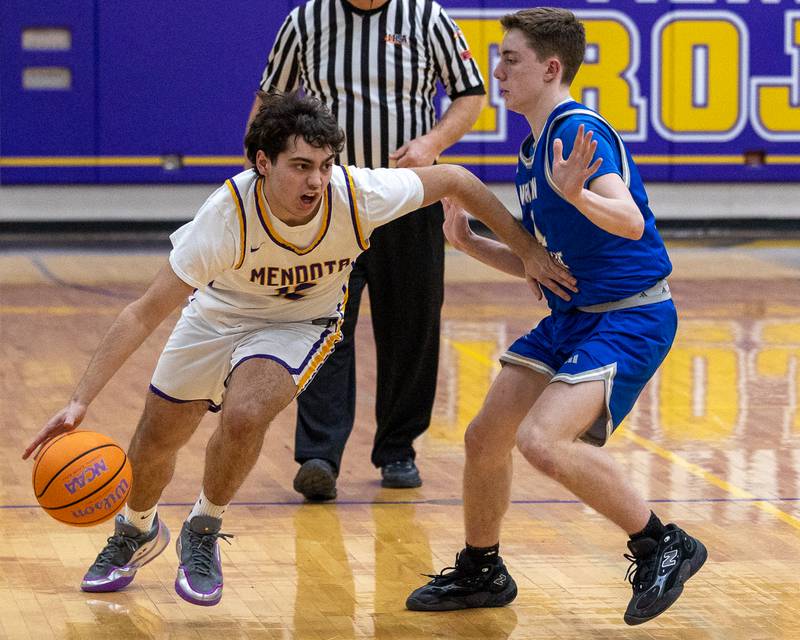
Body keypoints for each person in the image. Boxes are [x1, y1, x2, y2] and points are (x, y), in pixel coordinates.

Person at [22, 91, 573, 607]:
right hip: (216, 317)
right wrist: (79, 401)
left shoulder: (356, 195)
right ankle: (136, 530)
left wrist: (525, 250)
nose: (317, 180)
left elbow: (455, 178)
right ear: (263, 163)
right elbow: (143, 311)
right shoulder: (225, 216)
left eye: (325, 165)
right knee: (157, 436)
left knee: (246, 413)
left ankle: (204, 528)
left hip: (299, 322)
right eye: (300, 166)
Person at [405, 8, 707, 626]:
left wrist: (577, 193)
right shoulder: (533, 148)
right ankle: (482, 567)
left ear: (550, 67)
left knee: (541, 442)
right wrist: (470, 246)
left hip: (630, 315)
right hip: (576, 311)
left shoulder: (577, 130)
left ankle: (662, 543)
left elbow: (627, 221)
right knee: (485, 437)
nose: (497, 70)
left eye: (510, 58)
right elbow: (544, 269)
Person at [247, 0, 486, 500]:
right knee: (324, 324)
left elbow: (470, 95)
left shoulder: (428, 18)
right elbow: (268, 102)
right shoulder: (304, 20)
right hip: (328, 201)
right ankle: (318, 456)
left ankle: (399, 448)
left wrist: (432, 142)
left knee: (412, 325)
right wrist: (261, 177)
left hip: (408, 196)